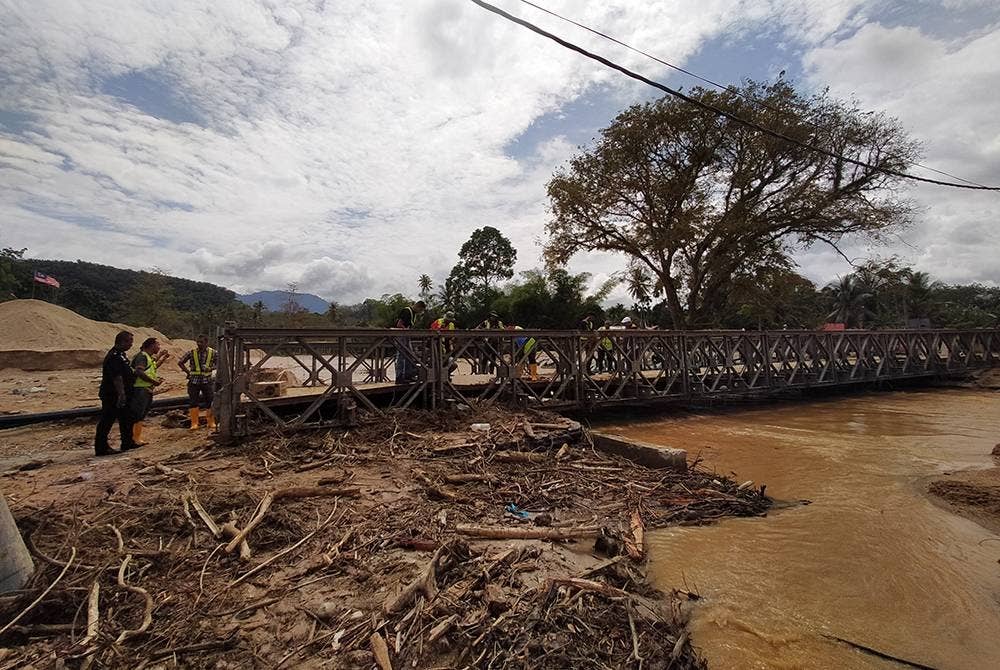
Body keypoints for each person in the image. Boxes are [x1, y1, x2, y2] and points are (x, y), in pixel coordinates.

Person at [95, 330, 137, 456]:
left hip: (124, 393)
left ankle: (127, 442)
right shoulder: (114, 356)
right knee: (107, 420)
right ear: (122, 342)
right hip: (112, 394)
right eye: (129, 342)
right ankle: (101, 447)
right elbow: (117, 377)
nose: (131, 344)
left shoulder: (121, 355)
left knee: (126, 419)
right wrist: (121, 394)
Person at [130, 337, 169, 446]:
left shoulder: (148, 357)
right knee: (138, 414)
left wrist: (163, 357)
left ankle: (136, 437)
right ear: (151, 345)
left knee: (141, 414)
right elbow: (139, 371)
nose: (159, 347)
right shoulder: (142, 356)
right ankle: (133, 439)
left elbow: (153, 366)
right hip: (140, 389)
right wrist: (154, 381)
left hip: (146, 389)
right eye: (158, 345)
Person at [178, 334, 217, 431]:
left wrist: (210, 368)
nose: (199, 344)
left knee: (210, 400)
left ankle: (211, 422)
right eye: (198, 342)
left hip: (207, 381)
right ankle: (194, 423)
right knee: (193, 401)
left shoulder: (213, 353)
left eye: (201, 342)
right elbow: (180, 362)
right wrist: (188, 372)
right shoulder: (192, 352)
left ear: (206, 342)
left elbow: (220, 364)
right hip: (194, 381)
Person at [394, 301, 425, 384]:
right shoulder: (407, 311)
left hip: (406, 336)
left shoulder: (413, 314)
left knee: (409, 355)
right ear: (418, 307)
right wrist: (406, 330)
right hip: (401, 335)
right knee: (401, 356)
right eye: (420, 310)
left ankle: (408, 375)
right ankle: (399, 377)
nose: (419, 313)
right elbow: (399, 324)